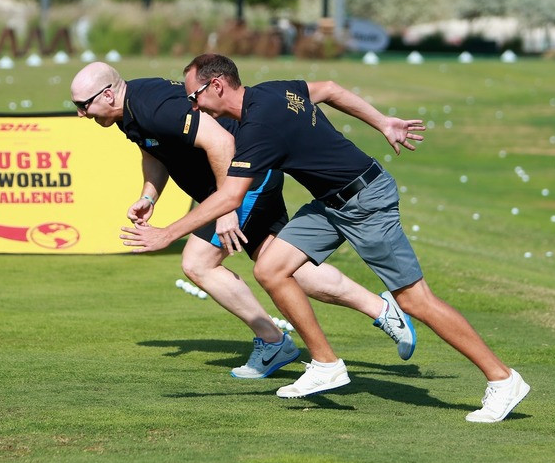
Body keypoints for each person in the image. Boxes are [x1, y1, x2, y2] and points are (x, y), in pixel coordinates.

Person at [120, 54, 530, 423]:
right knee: (271, 268)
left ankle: (503, 378)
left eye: (193, 96)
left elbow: (228, 196)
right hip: (331, 204)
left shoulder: (257, 130)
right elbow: (330, 90)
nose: (190, 105)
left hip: (366, 201)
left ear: (217, 86)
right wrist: (382, 121)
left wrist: (167, 234)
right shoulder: (271, 92)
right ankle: (326, 364)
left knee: (415, 300)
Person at [70, 62, 416, 380]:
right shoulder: (129, 114)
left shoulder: (153, 108)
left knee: (198, 262)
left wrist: (226, 209)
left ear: (108, 94)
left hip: (243, 182)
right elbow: (154, 153)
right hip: (239, 187)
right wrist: (149, 197)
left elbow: (222, 142)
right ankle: (382, 309)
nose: (81, 114)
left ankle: (273, 340)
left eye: (83, 105)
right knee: (284, 267)